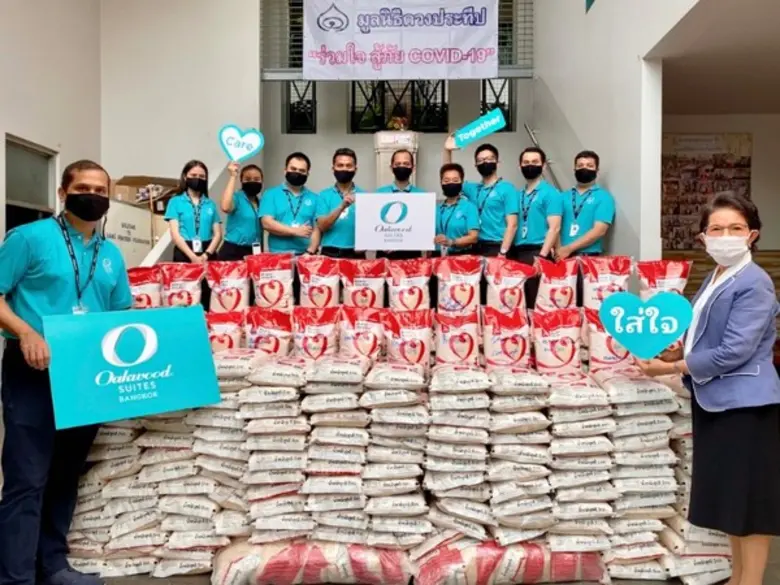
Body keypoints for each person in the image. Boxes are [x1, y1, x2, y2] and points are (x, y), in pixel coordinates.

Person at [637, 193, 780, 585]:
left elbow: (735, 351)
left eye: (735, 228)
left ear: (752, 235)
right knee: (733, 504)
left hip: (746, 407)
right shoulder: (716, 275)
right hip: (717, 402)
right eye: (716, 228)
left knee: (751, 507)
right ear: (702, 237)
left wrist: (671, 367)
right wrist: (679, 349)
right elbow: (707, 336)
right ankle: (737, 578)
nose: (725, 236)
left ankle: (750, 581)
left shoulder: (754, 282)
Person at [0, 160, 131, 585]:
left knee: (65, 475)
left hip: (86, 377)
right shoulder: (29, 238)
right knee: (26, 477)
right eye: (83, 187)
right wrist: (25, 332)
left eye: (100, 190)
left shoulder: (110, 254)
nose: (92, 195)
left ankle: (53, 566)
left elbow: (120, 316)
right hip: (33, 369)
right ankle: (16, 576)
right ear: (63, 193)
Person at [443, 139, 518, 257]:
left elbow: (512, 224)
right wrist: (447, 151)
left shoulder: (507, 188)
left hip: (497, 247)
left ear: (498, 162)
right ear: (476, 165)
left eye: (489, 159)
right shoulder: (472, 188)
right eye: (480, 160)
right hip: (475, 247)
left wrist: (503, 252)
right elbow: (449, 176)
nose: (485, 162)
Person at [510, 147, 562, 308]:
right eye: (526, 162)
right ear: (519, 166)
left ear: (543, 166)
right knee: (518, 305)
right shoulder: (517, 195)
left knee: (536, 304)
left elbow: (554, 228)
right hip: (517, 253)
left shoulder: (551, 193)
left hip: (538, 253)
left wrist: (542, 257)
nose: (530, 165)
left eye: (534, 162)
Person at [556, 150, 615, 261]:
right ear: (574, 170)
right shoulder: (562, 196)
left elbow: (599, 230)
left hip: (589, 257)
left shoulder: (604, 197)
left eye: (589, 165)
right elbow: (554, 226)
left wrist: (569, 249)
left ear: (597, 170)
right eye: (580, 165)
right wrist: (559, 249)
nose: (584, 168)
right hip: (561, 256)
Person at [259, 152, 320, 256]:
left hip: (305, 256)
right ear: (285, 170)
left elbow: (317, 230)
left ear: (307, 174)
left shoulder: (315, 198)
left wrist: (310, 252)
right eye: (293, 169)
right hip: (277, 255)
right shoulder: (270, 194)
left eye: (302, 171)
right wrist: (295, 231)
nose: (297, 173)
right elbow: (267, 223)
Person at [164, 160, 223, 262]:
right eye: (193, 175)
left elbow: (218, 234)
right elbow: (175, 235)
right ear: (185, 177)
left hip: (208, 252)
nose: (198, 178)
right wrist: (193, 257)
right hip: (184, 251)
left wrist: (206, 255)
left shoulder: (210, 204)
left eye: (202, 176)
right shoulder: (175, 202)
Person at [316, 148, 366, 259]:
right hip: (330, 252)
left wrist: (365, 245)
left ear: (355, 169)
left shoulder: (364, 196)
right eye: (340, 165)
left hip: (356, 253)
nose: (344, 169)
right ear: (333, 168)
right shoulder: (323, 195)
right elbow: (322, 226)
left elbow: (370, 228)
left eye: (349, 166)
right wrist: (341, 207)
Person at [218, 162, 264, 260]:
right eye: (247, 179)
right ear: (241, 181)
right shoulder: (237, 198)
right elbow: (225, 207)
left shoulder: (261, 202)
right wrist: (233, 176)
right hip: (233, 251)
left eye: (256, 179)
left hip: (254, 250)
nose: (252, 182)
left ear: (262, 181)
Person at [433, 163, 479, 256]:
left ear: (461, 182)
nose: (451, 183)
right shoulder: (436, 209)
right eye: (446, 180)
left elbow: (474, 237)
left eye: (455, 180)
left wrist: (452, 242)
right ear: (441, 183)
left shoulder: (469, 207)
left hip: (461, 257)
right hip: (436, 257)